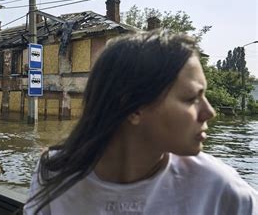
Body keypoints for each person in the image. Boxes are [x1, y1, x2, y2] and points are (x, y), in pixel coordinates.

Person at [24, 30, 257, 214]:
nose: (210, 112)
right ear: (134, 107)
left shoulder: (220, 188)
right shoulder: (54, 171)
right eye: (190, 99)